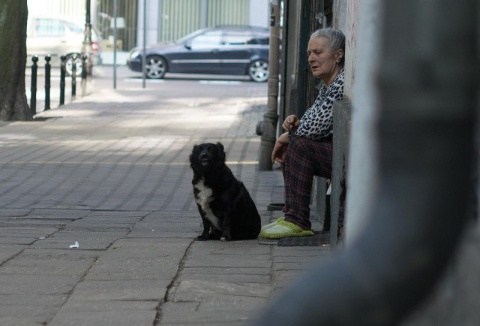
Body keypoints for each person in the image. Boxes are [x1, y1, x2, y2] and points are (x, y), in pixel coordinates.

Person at [259, 28, 345, 239]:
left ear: (338, 55)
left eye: (318, 52)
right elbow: (311, 121)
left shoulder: (341, 84)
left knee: (298, 145)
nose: (311, 58)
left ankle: (297, 220)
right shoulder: (327, 84)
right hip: (338, 152)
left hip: (350, 157)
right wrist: (294, 124)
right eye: (309, 54)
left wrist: (285, 137)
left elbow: (315, 128)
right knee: (296, 144)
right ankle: (291, 215)